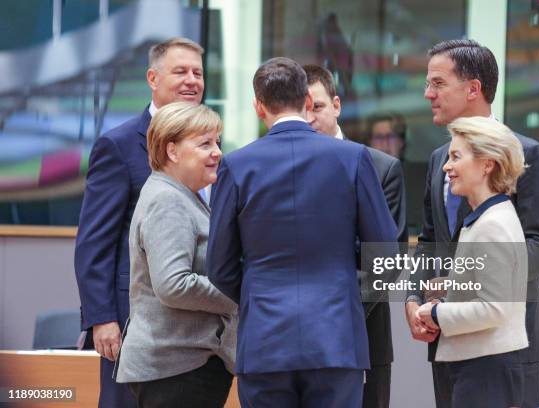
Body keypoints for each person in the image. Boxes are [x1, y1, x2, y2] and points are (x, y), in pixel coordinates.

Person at [206, 57, 398, 408]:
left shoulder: (235, 165)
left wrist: (257, 291)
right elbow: (386, 255)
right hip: (336, 338)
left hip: (264, 339)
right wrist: (344, 290)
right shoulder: (353, 159)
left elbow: (219, 266)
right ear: (307, 102)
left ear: (258, 105)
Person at [405, 39, 539, 408]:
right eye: (428, 84)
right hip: (448, 340)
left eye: (439, 84)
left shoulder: (527, 155)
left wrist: (464, 282)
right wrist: (413, 300)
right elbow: (430, 242)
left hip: (505, 343)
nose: (429, 94)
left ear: (473, 88)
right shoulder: (437, 159)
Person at [74, 37, 205, 408]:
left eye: (197, 72)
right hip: (132, 326)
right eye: (180, 71)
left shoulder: (212, 149)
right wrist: (102, 319)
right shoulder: (117, 146)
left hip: (195, 329)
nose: (191, 80)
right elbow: (94, 243)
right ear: (152, 78)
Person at [115, 102, 236, 407]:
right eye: (205, 143)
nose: (217, 152)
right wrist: (239, 294)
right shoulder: (168, 200)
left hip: (182, 366)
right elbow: (173, 285)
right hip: (176, 369)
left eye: (217, 142)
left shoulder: (180, 195)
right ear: (172, 151)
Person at [303, 63, 407, 408]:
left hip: (361, 336)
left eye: (316, 107)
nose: (309, 118)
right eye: (301, 109)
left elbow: (386, 261)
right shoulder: (275, 167)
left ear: (336, 105)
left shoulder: (380, 168)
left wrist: (329, 316)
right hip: (292, 342)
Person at [416, 116, 529, 407]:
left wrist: (438, 313)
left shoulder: (492, 224)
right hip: (482, 365)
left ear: (486, 164)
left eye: (456, 156)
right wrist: (450, 286)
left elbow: (494, 307)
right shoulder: (488, 217)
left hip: (485, 369)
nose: (446, 166)